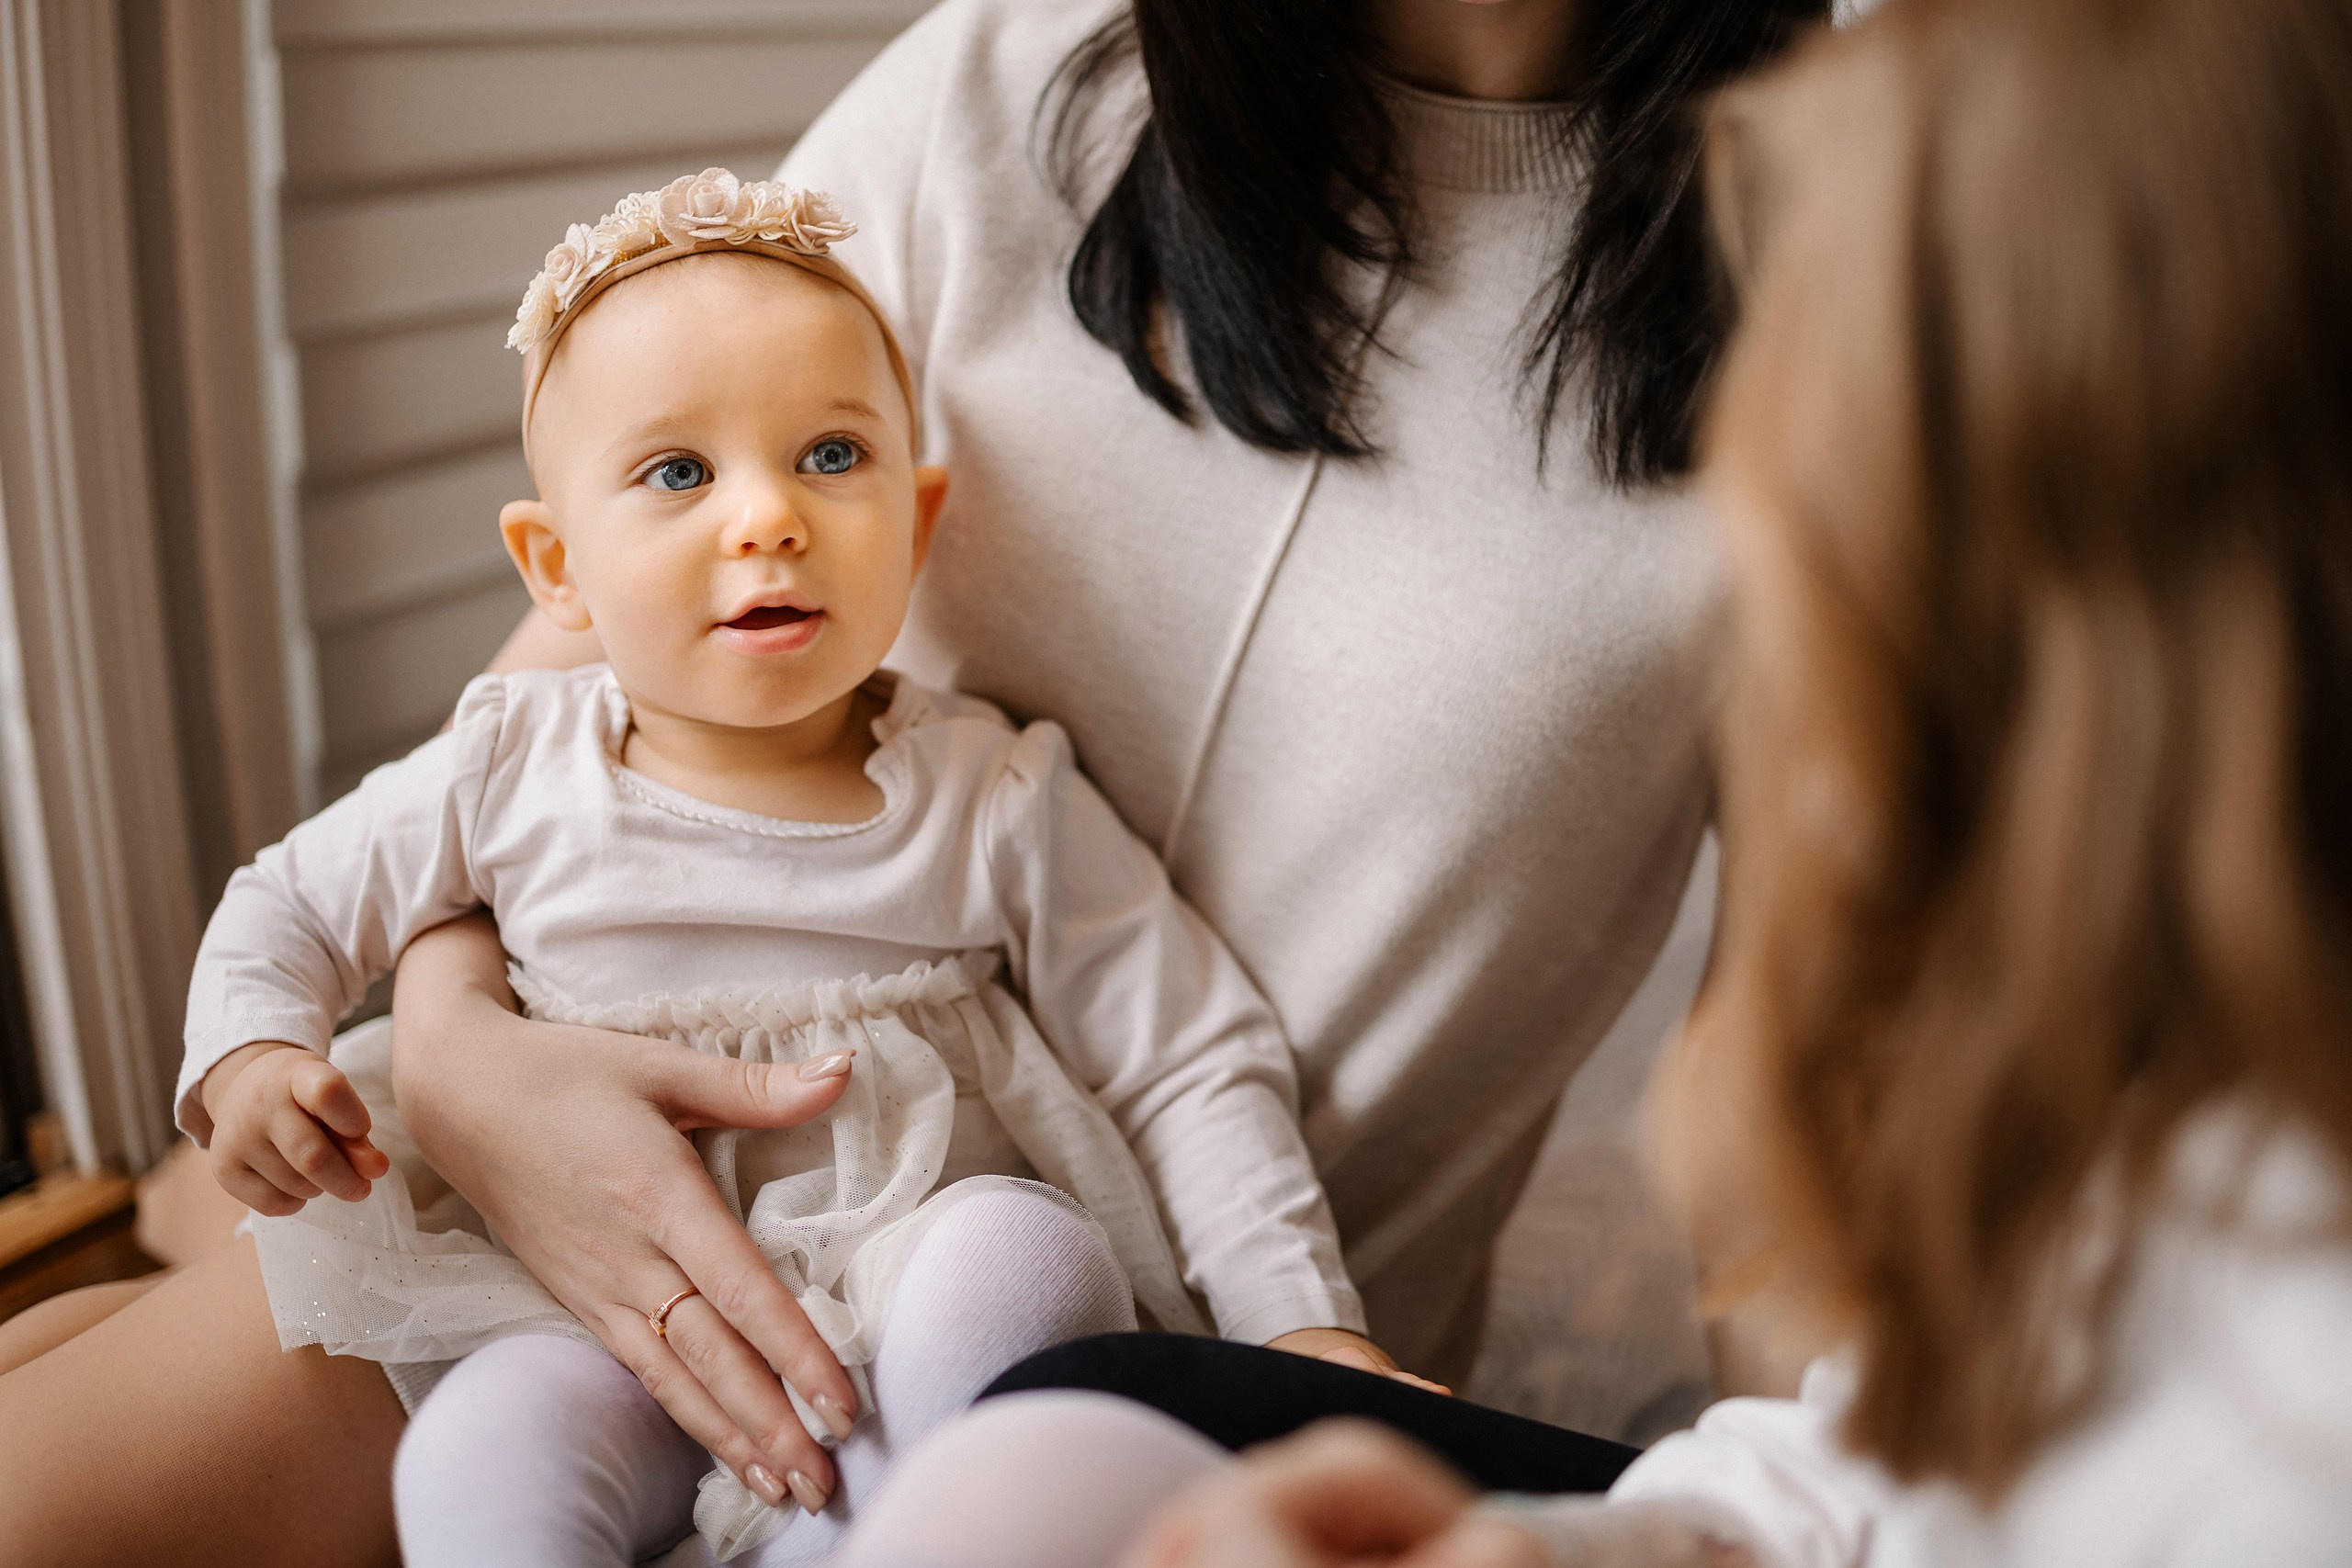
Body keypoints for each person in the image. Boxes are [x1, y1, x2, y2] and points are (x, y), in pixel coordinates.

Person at [0, 4, 1822, 1563]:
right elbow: (567, 693)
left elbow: (1821, 1092)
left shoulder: (1838, 284)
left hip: (1148, 1335)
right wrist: (470, 1052)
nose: (773, 511)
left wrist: (1777, 1504)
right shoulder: (1010, 81)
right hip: (579, 1177)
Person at [816, 0, 2352, 1561]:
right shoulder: (1004, 82)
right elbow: (590, 637)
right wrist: (542, 1105)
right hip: (767, 1197)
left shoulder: (1856, 225)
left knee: (1047, 1433)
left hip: (1247, 1334)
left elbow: (1856, 1224)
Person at [178, 168, 1412, 1566]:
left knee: (1023, 1263)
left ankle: (894, 1534)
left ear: (920, 522)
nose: (766, 516)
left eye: (832, 456)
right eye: (679, 472)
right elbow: (285, 901)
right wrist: (252, 1057)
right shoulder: (509, 765)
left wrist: (1301, 1323)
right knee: (486, 1437)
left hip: (908, 1315)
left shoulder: (991, 790)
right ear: (557, 566)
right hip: (614, 1327)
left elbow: (1187, 1055)